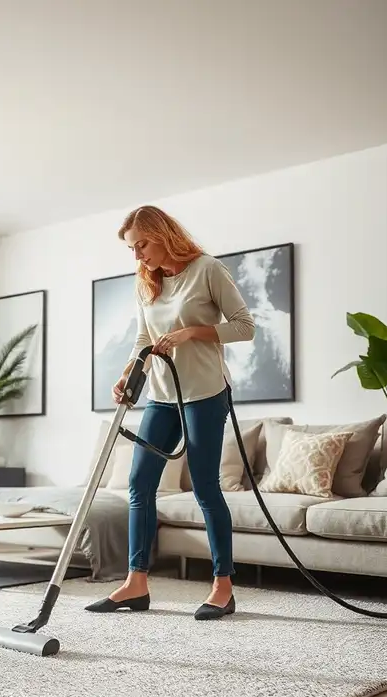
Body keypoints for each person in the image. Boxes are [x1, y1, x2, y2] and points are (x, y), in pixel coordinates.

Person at [86, 205, 256, 620]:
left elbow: (244, 326)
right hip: (161, 396)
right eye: (132, 248)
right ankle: (136, 583)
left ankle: (222, 586)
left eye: (141, 244)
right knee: (139, 483)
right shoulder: (146, 282)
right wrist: (129, 371)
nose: (137, 255)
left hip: (205, 394)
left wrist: (192, 331)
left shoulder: (207, 269)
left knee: (204, 488)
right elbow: (144, 335)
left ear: (162, 234)